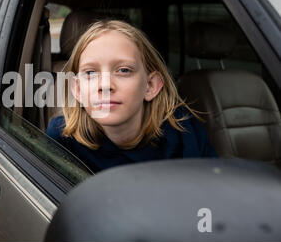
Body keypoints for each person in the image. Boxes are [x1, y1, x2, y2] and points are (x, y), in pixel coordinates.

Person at [46, 20, 218, 173]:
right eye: (90, 72)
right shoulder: (63, 137)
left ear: (150, 86)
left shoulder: (184, 130)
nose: (105, 85)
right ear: (77, 90)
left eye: (123, 70)